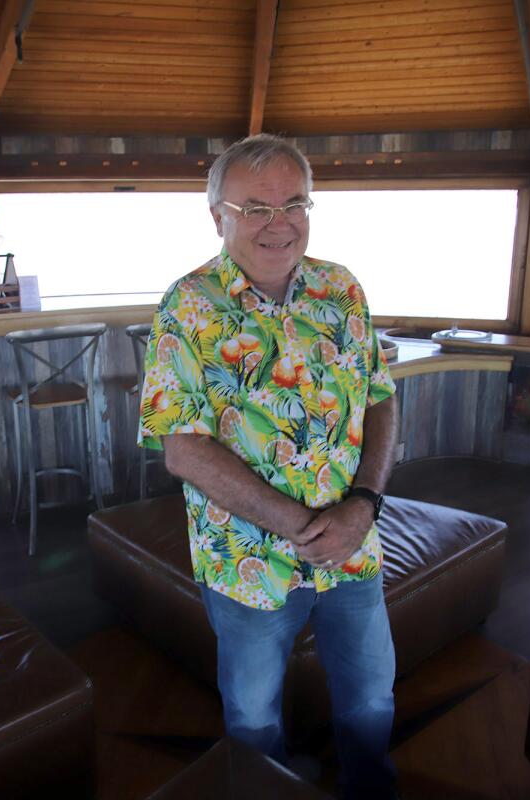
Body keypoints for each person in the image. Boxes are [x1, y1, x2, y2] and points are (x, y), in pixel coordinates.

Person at [137, 133, 400, 798]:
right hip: (246, 563)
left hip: (355, 552)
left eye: (293, 203)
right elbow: (182, 446)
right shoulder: (189, 307)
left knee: (371, 703)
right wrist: (310, 528)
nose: (278, 224)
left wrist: (362, 504)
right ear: (217, 216)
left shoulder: (342, 289)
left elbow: (381, 399)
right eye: (254, 208)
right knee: (253, 720)